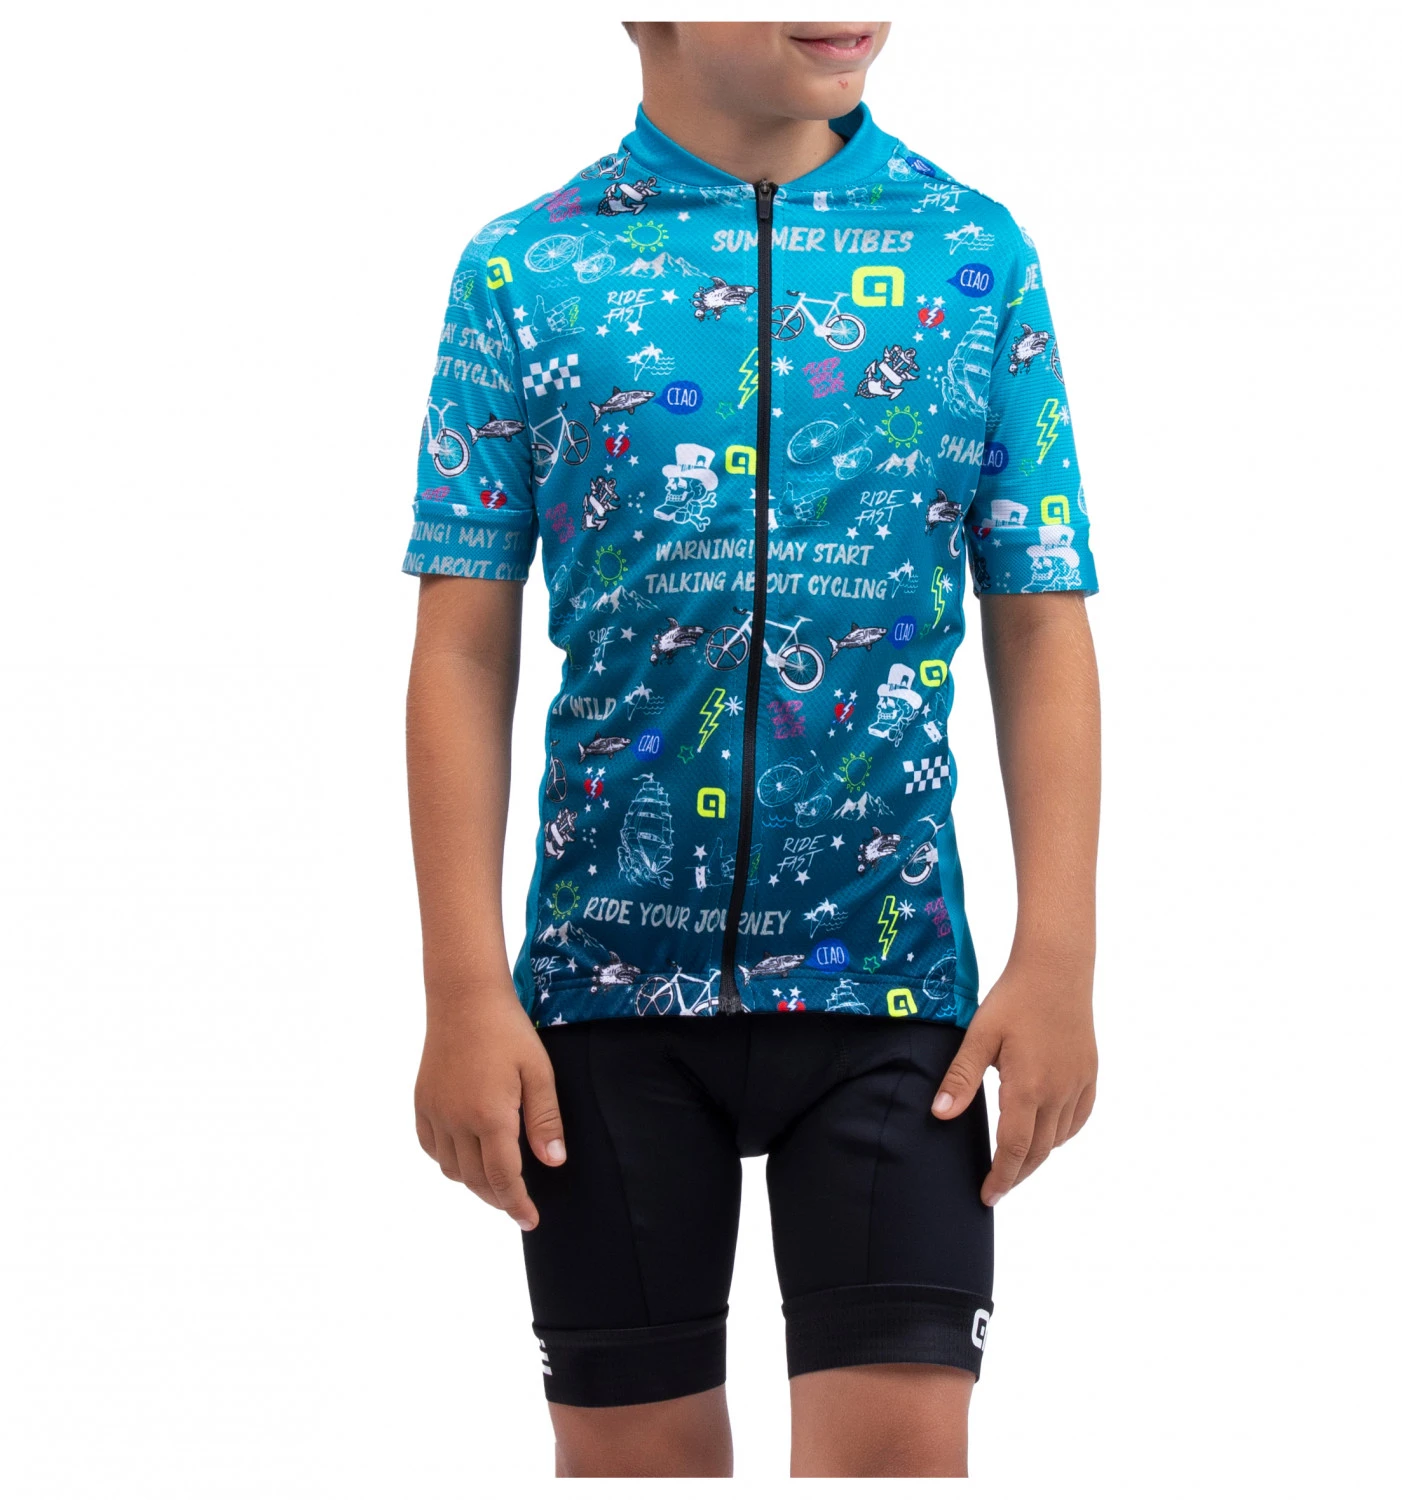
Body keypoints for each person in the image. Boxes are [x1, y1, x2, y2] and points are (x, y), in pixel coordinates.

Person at [404, 21, 1100, 1479]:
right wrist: (463, 989)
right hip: (603, 998)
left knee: (899, 1452)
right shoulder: (527, 270)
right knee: (637, 1462)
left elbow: (1040, 623)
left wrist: (1059, 961)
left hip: (890, 984)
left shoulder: (973, 255)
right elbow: (464, 648)